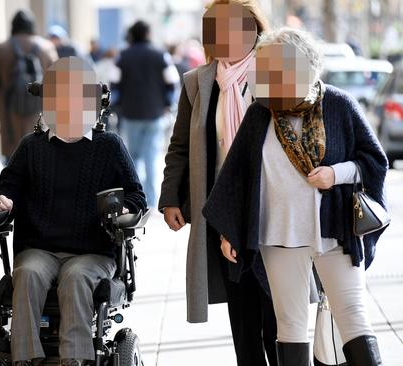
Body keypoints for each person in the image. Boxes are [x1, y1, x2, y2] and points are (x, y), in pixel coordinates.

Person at [202, 28, 388, 365]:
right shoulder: (260, 114)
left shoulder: (339, 105)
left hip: (333, 233)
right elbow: (238, 174)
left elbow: (374, 162)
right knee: (290, 325)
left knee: (353, 315)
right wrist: (231, 229)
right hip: (278, 235)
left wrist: (337, 174)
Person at [0, 56, 146, 366]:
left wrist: (126, 208)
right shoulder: (31, 147)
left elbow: (136, 194)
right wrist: (4, 199)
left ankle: (75, 360)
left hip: (92, 252)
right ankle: (24, 359)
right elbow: (9, 184)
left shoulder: (110, 146)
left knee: (75, 277)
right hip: (40, 248)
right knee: (28, 273)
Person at [158, 1, 279, 365]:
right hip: (224, 210)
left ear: (253, 28)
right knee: (243, 319)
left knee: (278, 315)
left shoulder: (275, 73)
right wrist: (170, 198)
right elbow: (180, 146)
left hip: (272, 208)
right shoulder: (198, 83)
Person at [112, 20, 180, 207]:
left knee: (132, 158)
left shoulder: (123, 56)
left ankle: (135, 199)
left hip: (130, 113)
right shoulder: (160, 55)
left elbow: (114, 84)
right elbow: (172, 82)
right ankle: (151, 199)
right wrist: (167, 103)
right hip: (155, 113)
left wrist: (118, 106)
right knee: (151, 155)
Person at [0, 9, 58, 160]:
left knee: (14, 164)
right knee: (41, 161)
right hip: (40, 117)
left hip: (10, 120)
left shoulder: (2, 49)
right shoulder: (47, 48)